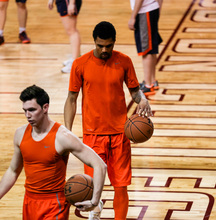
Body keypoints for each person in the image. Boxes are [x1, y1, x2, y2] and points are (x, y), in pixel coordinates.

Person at [64, 21, 153, 220]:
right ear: (94, 41)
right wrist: (67, 132)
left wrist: (143, 99)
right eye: (100, 45)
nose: (104, 50)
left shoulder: (124, 61)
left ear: (114, 42)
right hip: (92, 137)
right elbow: (71, 99)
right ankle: (94, 213)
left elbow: (135, 92)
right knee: (91, 186)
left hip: (120, 135)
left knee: (121, 186)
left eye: (109, 46)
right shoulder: (80, 64)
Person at [0, 85, 107, 220]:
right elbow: (13, 171)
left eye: (32, 110)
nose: (28, 115)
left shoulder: (63, 137)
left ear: (45, 108)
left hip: (54, 204)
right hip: (29, 201)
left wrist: (94, 201)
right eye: (25, 111)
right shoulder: (20, 134)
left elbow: (100, 165)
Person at [128, 0, 163, 96]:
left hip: (144, 12)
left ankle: (148, 86)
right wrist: (158, 9)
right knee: (152, 48)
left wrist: (133, 17)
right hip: (152, 9)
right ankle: (152, 81)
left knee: (146, 50)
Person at [48, 0, 81, 73]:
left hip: (68, 2)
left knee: (72, 31)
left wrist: (72, 3)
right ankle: (75, 57)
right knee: (70, 31)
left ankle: (75, 62)